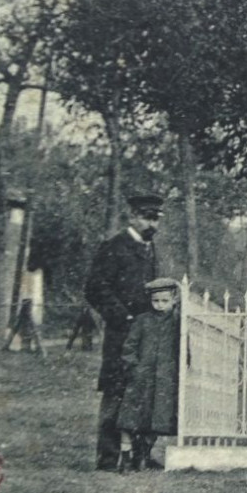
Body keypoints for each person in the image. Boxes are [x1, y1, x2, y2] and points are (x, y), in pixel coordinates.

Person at [85, 191, 162, 472]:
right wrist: (123, 316)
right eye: (147, 218)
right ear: (132, 216)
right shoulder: (113, 247)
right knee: (116, 394)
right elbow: (95, 288)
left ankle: (141, 454)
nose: (152, 225)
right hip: (121, 334)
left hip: (146, 335)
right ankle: (108, 457)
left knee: (144, 393)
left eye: (156, 219)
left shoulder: (150, 249)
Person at [116, 278, 181, 473]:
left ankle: (143, 455)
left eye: (164, 301)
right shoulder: (142, 320)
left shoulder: (178, 323)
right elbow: (129, 347)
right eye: (156, 301)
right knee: (130, 418)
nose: (160, 305)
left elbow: (182, 349)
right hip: (141, 378)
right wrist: (133, 367)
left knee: (157, 419)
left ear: (174, 300)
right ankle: (126, 458)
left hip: (164, 379)